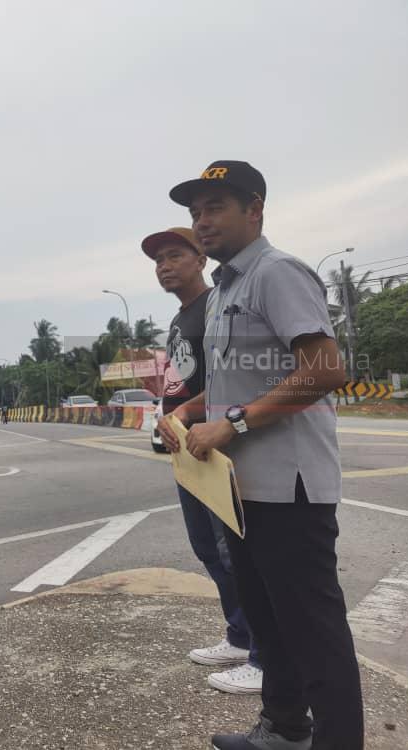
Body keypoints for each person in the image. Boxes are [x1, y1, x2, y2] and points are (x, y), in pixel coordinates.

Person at [158, 162, 364, 750]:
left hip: (289, 488)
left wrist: (234, 423)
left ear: (255, 210)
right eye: (195, 212)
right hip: (239, 490)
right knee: (268, 622)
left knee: (313, 630)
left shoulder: (277, 273)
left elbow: (324, 370)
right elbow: (232, 381)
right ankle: (283, 728)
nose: (202, 221)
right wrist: (186, 411)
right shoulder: (224, 290)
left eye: (215, 207)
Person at [141, 226, 262, 694]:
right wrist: (167, 418)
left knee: (235, 551)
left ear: (200, 260)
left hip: (217, 443)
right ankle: (239, 636)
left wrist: (193, 416)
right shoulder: (179, 320)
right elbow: (180, 382)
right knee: (207, 548)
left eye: (175, 256)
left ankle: (263, 654)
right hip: (186, 446)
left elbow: (231, 380)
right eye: (158, 260)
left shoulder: (216, 307)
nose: (164, 266)